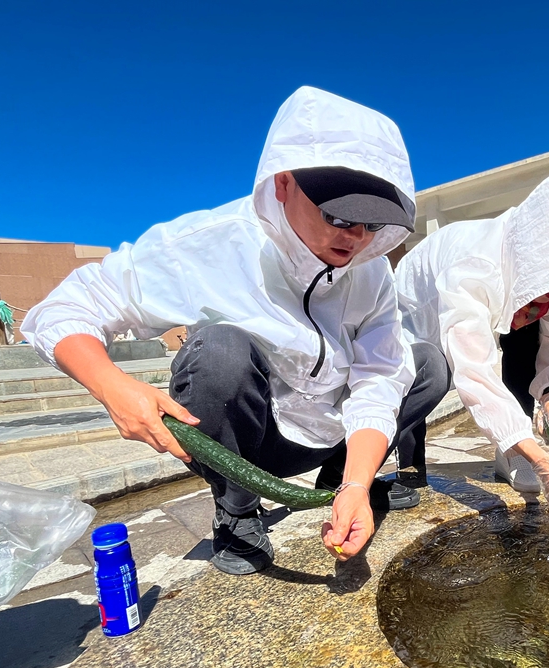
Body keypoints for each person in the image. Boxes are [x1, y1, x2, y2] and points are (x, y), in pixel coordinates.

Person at [22, 87, 436, 575]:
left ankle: (339, 480)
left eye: (372, 226)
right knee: (220, 351)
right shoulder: (207, 244)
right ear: (283, 184)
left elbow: (379, 376)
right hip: (246, 441)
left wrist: (357, 485)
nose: (355, 239)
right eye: (340, 217)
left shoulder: (371, 273)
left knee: (427, 361)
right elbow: (66, 307)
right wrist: (113, 386)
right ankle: (237, 508)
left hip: (332, 428)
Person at [393, 168, 549, 530]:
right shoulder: (473, 267)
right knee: (427, 371)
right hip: (419, 303)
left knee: (525, 334)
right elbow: (475, 374)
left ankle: (511, 455)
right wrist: (547, 464)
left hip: (485, 290)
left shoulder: (545, 278)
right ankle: (407, 465)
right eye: (546, 293)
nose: (546, 303)